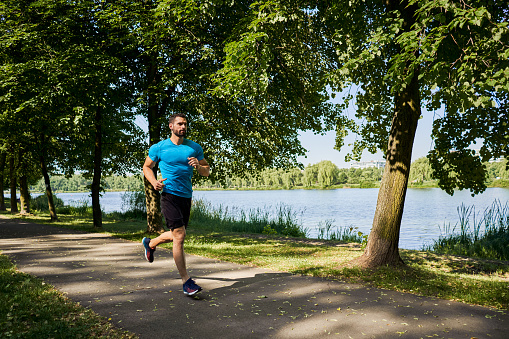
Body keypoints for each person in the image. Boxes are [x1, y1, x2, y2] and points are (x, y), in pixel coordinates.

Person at [142, 113, 210, 296]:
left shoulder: (194, 148)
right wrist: (153, 182)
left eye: (185, 124)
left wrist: (198, 166)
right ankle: (186, 282)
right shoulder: (159, 148)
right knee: (180, 236)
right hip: (169, 195)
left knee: (176, 234)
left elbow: (207, 172)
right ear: (171, 126)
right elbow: (147, 167)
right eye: (180, 124)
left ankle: (151, 243)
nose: (183, 127)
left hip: (186, 196)